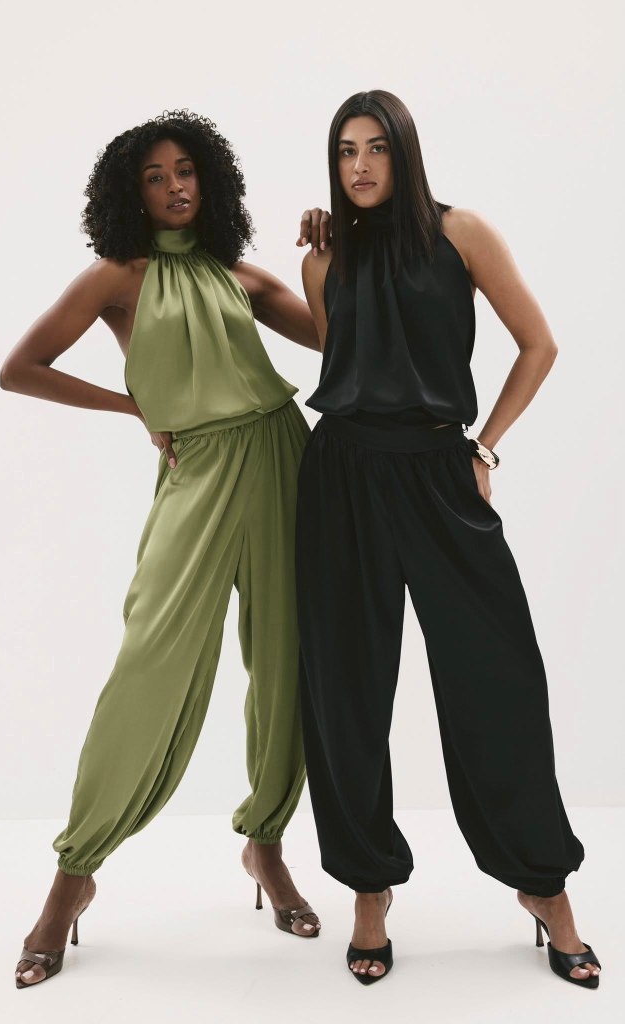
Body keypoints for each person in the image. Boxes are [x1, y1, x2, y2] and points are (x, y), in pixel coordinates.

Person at [0, 109, 321, 990]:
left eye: (186, 170)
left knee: (287, 662)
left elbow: (341, 340)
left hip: (282, 457)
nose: (176, 186)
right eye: (155, 176)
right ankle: (73, 878)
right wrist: (134, 406)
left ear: (209, 179)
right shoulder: (116, 278)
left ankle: (266, 845)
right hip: (197, 468)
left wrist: (323, 264)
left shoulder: (239, 274)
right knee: (150, 663)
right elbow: (19, 368)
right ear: (129, 194)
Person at [295, 89, 601, 988]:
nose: (358, 165)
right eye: (344, 150)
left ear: (405, 152)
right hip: (342, 474)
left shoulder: (461, 233)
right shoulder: (324, 259)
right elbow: (344, 359)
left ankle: (542, 887)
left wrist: (484, 447)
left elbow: (537, 344)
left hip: (437, 471)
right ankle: (368, 889)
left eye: (375, 148)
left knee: (496, 677)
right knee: (346, 688)